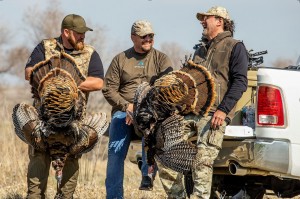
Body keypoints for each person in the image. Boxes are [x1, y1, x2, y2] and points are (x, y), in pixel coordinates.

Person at [157, 6, 248, 199]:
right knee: (162, 149)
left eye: (205, 18)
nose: (202, 22)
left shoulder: (235, 46)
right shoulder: (200, 49)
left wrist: (223, 110)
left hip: (215, 114)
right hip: (189, 113)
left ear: (219, 21)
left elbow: (240, 82)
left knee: (202, 163)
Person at [24, 14, 104, 198]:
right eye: (78, 33)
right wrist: (52, 81)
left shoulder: (90, 52)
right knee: (39, 155)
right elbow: (29, 72)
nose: (83, 36)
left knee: (72, 157)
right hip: (43, 117)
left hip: (74, 119)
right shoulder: (45, 46)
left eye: (84, 33)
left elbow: (98, 82)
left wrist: (70, 84)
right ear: (66, 32)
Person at [102, 20, 173, 199]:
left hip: (152, 113)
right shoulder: (121, 59)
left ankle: (147, 175)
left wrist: (143, 109)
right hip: (123, 112)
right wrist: (127, 106)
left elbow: (168, 88)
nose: (148, 39)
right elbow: (108, 89)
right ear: (133, 37)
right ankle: (114, 196)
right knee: (115, 153)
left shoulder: (162, 59)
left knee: (151, 130)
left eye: (151, 36)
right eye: (144, 36)